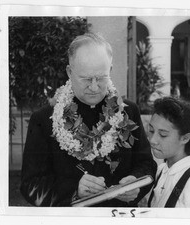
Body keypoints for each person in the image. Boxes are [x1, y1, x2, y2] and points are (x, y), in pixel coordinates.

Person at [20, 32, 157, 207]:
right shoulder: (43, 119)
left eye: (101, 78)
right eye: (86, 79)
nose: (94, 87)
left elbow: (147, 164)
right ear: (70, 72)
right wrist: (74, 190)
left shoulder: (129, 112)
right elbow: (30, 185)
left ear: (111, 70)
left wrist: (135, 182)